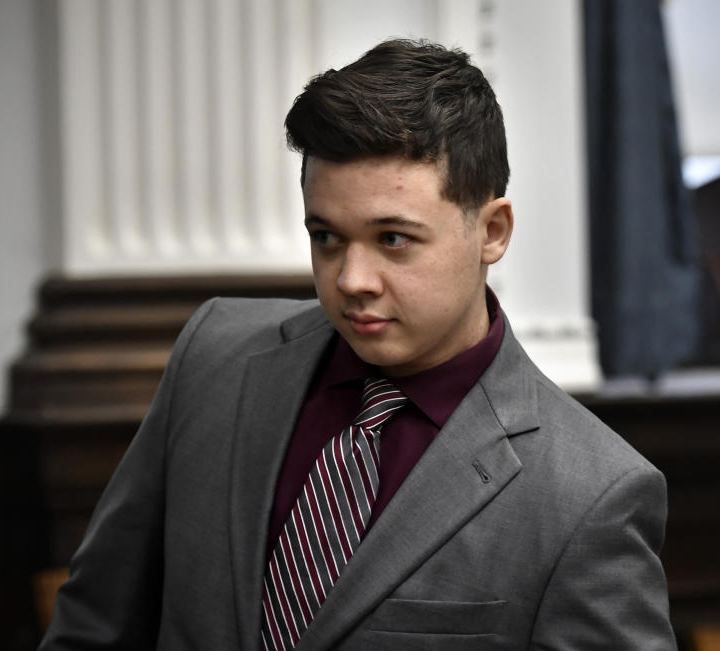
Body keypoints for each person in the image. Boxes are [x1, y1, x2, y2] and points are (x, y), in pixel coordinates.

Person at [41, 39, 675, 650]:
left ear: (493, 231)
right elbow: (95, 625)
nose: (350, 280)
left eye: (393, 238)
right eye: (326, 237)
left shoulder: (590, 493)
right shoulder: (216, 355)